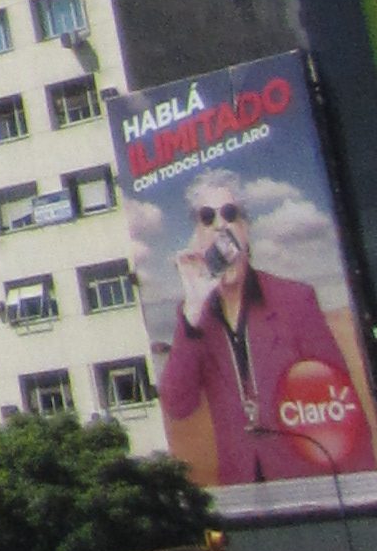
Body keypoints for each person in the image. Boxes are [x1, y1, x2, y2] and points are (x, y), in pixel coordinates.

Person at [156, 182, 375, 484]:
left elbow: (341, 400)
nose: (220, 224)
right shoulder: (196, 317)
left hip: (304, 482)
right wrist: (192, 311)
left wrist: (361, 488)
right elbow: (177, 405)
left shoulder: (295, 299)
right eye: (207, 217)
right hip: (243, 488)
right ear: (198, 237)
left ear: (245, 229)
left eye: (230, 214)